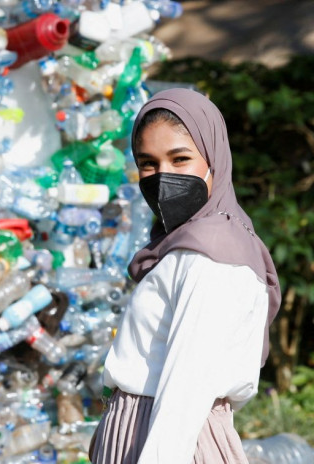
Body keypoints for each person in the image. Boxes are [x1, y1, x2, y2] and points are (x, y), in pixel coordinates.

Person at [88, 89, 281, 463]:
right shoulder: (184, 246)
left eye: (180, 159)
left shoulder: (212, 255)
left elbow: (188, 386)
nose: (163, 177)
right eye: (148, 163)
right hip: (144, 429)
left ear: (214, 160)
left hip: (168, 439)